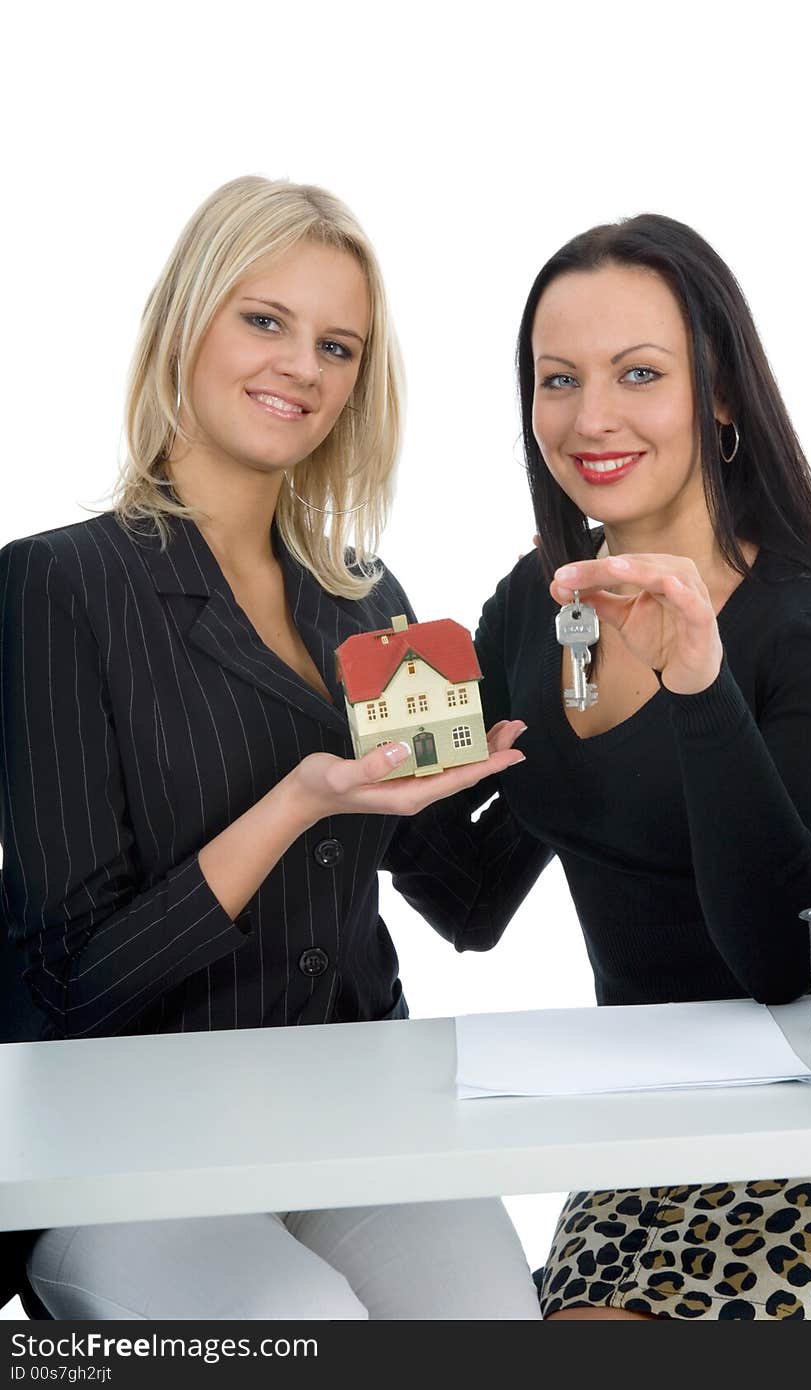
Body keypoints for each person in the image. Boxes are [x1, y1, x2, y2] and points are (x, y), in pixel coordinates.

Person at [0, 175, 540, 1320]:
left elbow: (463, 901)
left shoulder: (364, 599)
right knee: (313, 1336)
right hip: (125, 1150)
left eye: (336, 344)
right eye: (265, 319)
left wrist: (581, 723)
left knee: (493, 1323)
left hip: (349, 1116)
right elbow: (67, 984)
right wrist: (296, 800)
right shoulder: (57, 585)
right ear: (187, 321)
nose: (303, 365)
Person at [387, 214, 811, 1320]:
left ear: (718, 397)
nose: (588, 417)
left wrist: (698, 687)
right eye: (556, 378)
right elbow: (470, 904)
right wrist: (368, 780)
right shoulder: (536, 604)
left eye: (637, 374)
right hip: (630, 1146)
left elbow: (782, 969)